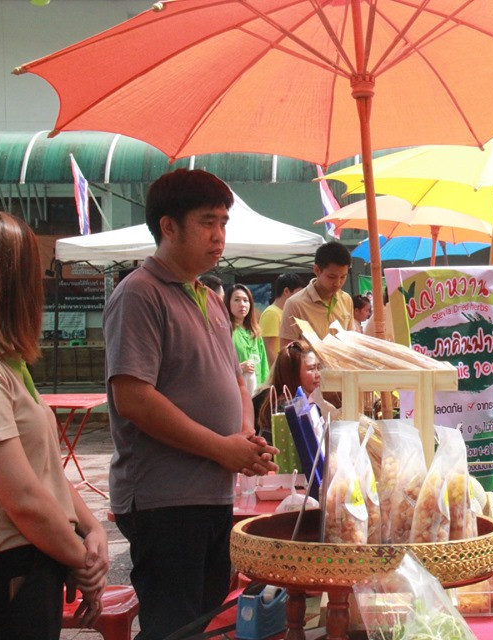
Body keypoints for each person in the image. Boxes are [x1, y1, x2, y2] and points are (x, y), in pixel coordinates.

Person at [103, 169, 278, 640]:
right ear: (168, 227)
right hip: (165, 500)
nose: (219, 235)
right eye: (207, 222)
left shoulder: (208, 295)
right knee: (172, 625)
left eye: (223, 222)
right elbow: (135, 398)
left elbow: (236, 379)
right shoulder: (140, 294)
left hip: (212, 493)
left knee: (200, 617)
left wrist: (243, 435)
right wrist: (222, 449)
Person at [0, 209, 109, 639]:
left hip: (33, 558)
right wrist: (80, 559)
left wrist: (91, 528)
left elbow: (41, 468)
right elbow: (22, 498)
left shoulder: (1, 361)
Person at [256, 340, 335, 436]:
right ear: (293, 374)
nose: (318, 374)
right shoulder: (284, 409)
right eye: (311, 369)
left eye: (318, 367)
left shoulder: (305, 404)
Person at [279, 241, 353, 342]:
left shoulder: (346, 299)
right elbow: (286, 349)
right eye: (332, 277)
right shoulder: (295, 304)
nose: (338, 283)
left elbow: (350, 339)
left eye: (343, 277)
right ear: (317, 270)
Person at [225, 283, 269, 395]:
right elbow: (220, 365)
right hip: (236, 392)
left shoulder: (255, 331)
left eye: (246, 300)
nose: (242, 304)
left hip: (257, 393)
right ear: (228, 303)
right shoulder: (226, 331)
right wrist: (240, 368)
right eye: (237, 300)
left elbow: (264, 365)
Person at [259, 272, 304, 367]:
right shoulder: (271, 313)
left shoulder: (284, 312)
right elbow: (269, 349)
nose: (301, 297)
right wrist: (277, 373)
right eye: (298, 293)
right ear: (286, 291)